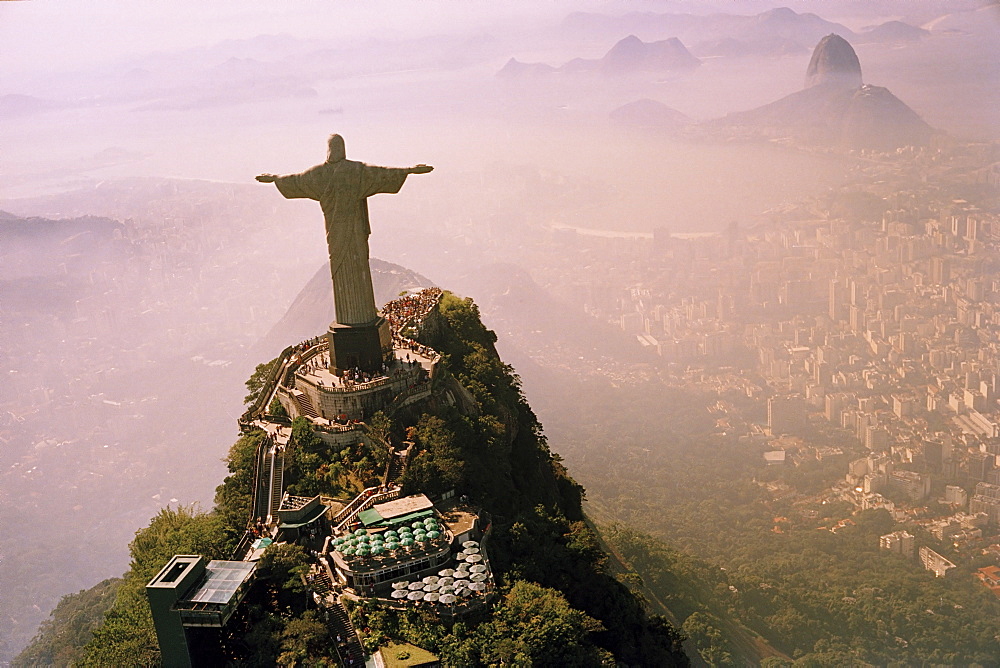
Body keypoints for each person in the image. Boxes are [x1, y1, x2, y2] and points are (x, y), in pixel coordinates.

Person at [256, 134, 432, 327]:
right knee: (355, 269)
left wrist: (274, 178)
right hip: (353, 233)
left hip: (336, 233)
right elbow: (382, 173)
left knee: (347, 269)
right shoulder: (354, 170)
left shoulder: (319, 174)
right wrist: (409, 170)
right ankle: (359, 316)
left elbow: (296, 180)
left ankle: (352, 317)